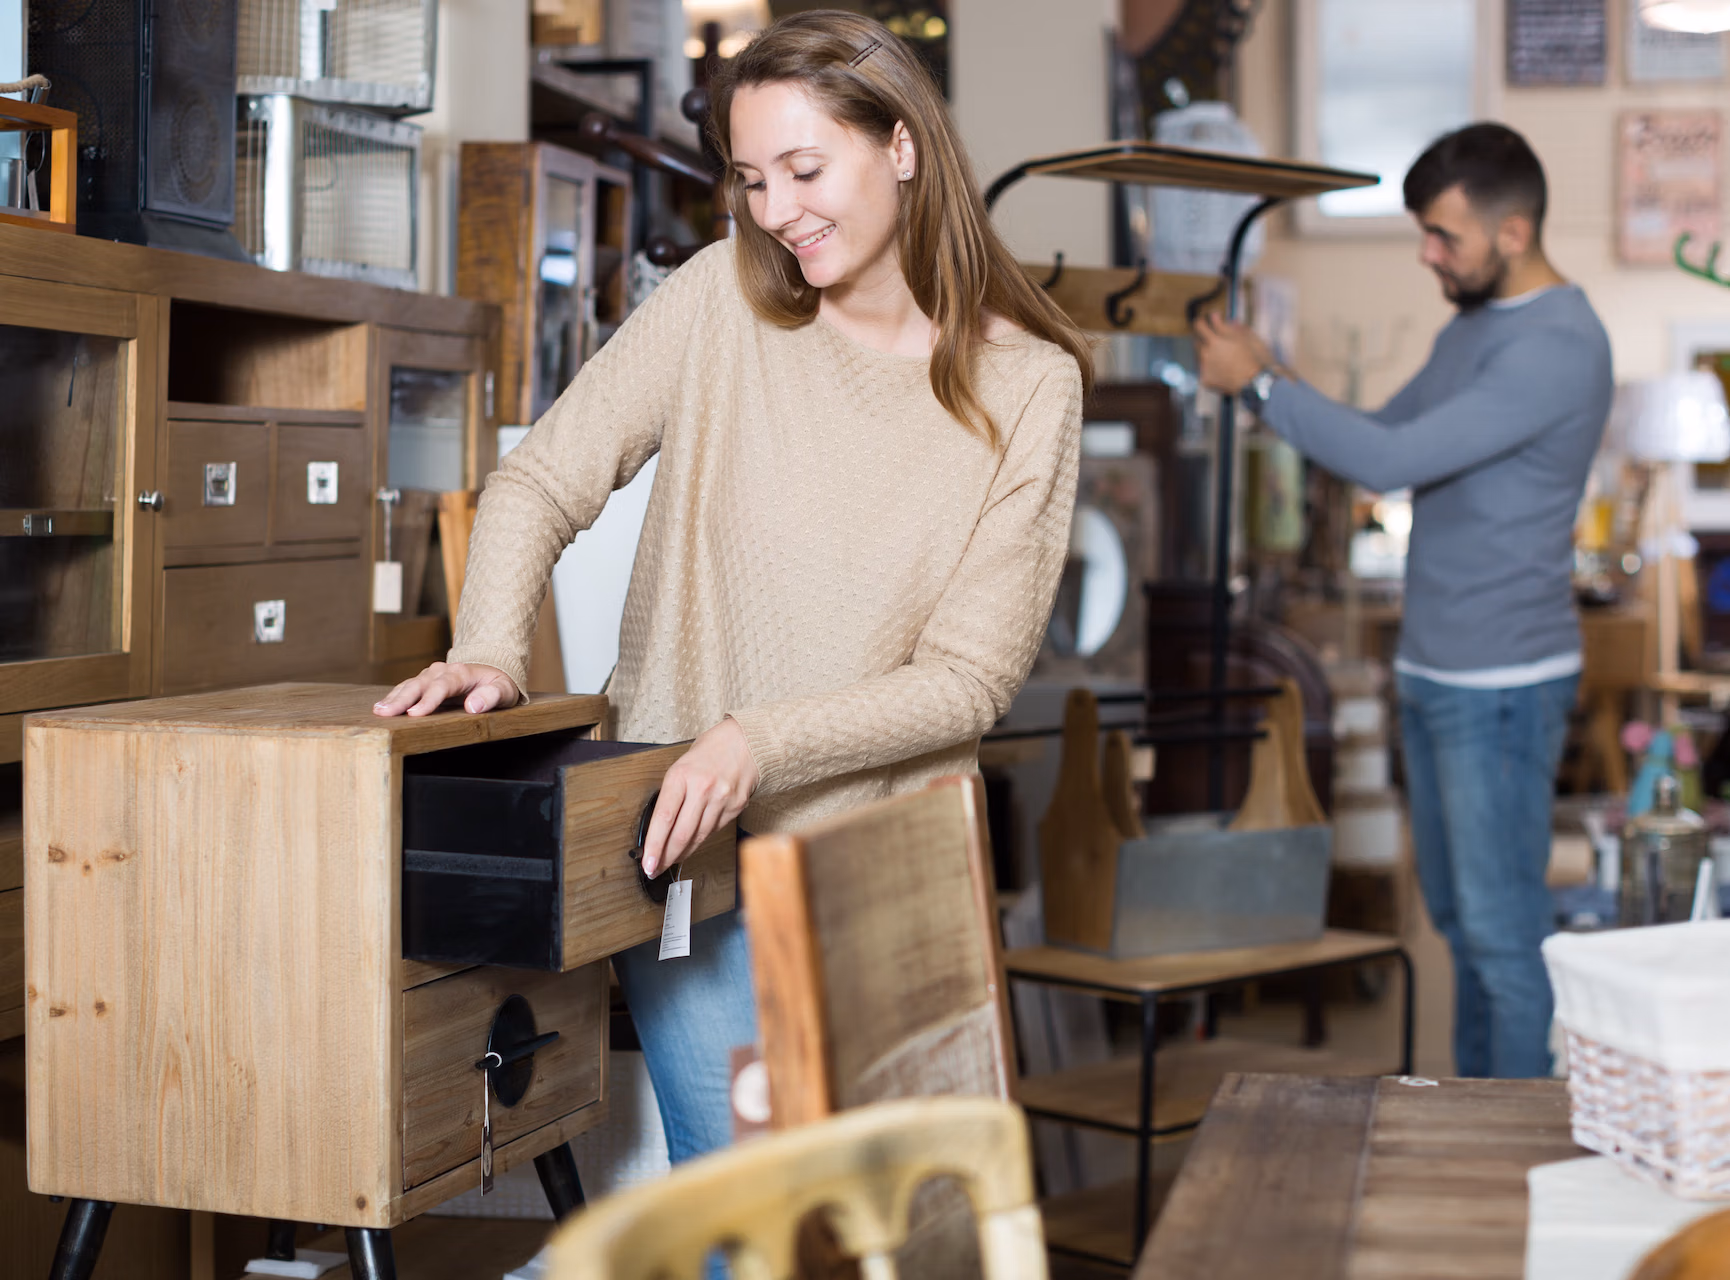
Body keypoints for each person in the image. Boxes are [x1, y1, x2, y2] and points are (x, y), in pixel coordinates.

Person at [373, 12, 1089, 1159]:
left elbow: (968, 680)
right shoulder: (720, 301)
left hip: (884, 872)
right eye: (752, 179)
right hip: (687, 859)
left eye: (805, 169)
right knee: (753, 1218)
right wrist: (493, 648)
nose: (775, 210)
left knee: (893, 1230)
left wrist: (753, 743)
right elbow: (538, 480)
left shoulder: (1027, 386)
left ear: (900, 145)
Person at [1193, 123, 1612, 1078]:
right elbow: (1383, 429)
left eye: (1444, 237)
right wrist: (1268, 371)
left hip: (1501, 684)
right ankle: (1472, 1133)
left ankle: (1511, 1172)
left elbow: (1384, 464)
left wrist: (1257, 380)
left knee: (1503, 939)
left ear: (1512, 233)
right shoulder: (1477, 326)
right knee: (1463, 927)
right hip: (1438, 670)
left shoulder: (1558, 345)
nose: (1428, 254)